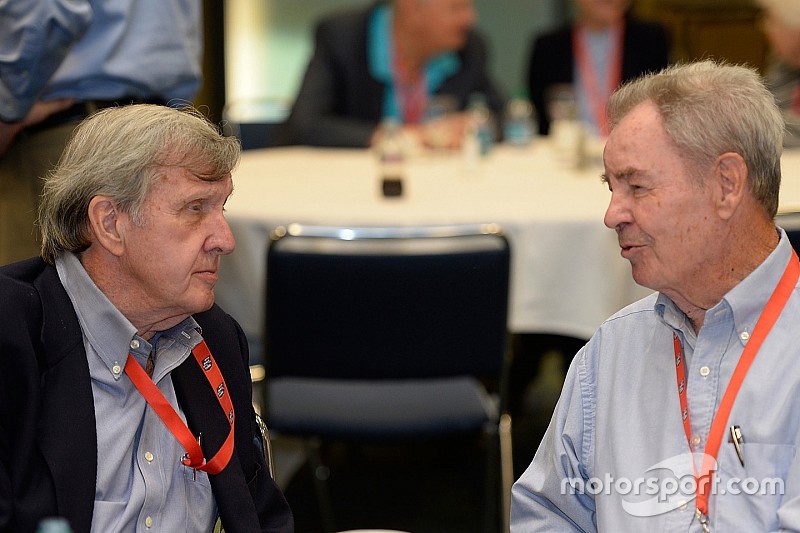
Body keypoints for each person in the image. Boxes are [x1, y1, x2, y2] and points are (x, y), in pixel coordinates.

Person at [511, 61, 800, 531]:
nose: (612, 215)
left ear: (726, 185)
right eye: (611, 187)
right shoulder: (611, 351)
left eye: (637, 186)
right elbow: (548, 515)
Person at [0, 104, 294, 533]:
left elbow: (262, 517)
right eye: (195, 209)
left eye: (222, 208)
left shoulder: (214, 337)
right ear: (110, 223)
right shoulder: (13, 337)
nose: (225, 240)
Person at [0, 0, 204, 266]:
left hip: (68, 137)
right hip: (160, 128)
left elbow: (48, 10)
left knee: (31, 285)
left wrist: (6, 108)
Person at [283, 0, 505, 148]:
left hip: (435, 186)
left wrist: (474, 125)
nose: (470, 19)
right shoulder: (343, 38)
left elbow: (505, 116)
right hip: (342, 184)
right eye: (457, 8)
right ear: (412, 9)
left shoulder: (468, 49)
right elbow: (305, 125)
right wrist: (395, 138)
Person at [526, 0, 669, 137]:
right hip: (566, 148)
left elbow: (660, 105)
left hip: (632, 144)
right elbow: (539, 114)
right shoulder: (548, 47)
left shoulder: (651, 40)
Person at [756, 0, 800, 147]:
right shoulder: (784, 59)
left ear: (796, 32)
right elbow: (768, 104)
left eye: (770, 20)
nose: (764, 28)